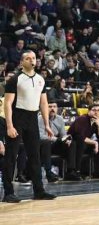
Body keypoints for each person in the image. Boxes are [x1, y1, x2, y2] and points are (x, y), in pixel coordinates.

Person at [2, 50, 57, 202]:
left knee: (35, 155)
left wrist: (46, 124)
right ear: (22, 62)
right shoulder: (15, 79)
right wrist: (10, 126)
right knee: (11, 155)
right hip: (17, 117)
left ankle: (39, 191)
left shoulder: (40, 79)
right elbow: (7, 104)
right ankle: (8, 193)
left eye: (33, 58)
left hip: (33, 118)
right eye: (28, 58)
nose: (32, 60)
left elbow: (44, 103)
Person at [67, 104, 99, 180]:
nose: (96, 112)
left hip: (84, 142)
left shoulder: (97, 120)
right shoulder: (82, 119)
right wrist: (95, 143)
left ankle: (98, 171)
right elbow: (80, 136)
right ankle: (77, 171)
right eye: (94, 110)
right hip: (72, 143)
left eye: (98, 110)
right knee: (82, 143)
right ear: (89, 111)